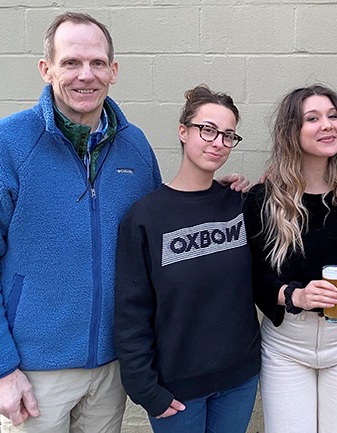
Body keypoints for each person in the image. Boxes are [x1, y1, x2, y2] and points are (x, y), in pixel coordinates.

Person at [0, 12, 249, 433]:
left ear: (113, 71)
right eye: (71, 62)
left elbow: (161, 227)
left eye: (97, 63)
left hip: (111, 368)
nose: (85, 75)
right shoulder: (1, 147)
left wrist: (219, 196)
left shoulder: (134, 146)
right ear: (46, 69)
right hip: (34, 372)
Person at [114, 85, 261, 433]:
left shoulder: (238, 204)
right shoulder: (145, 218)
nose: (217, 142)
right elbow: (131, 311)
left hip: (238, 378)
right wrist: (145, 389)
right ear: (183, 131)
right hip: (177, 389)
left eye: (228, 135)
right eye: (207, 129)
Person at [243, 84, 337, 433]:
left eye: (333, 116)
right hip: (287, 343)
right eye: (313, 118)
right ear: (292, 131)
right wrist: (294, 295)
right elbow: (252, 275)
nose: (327, 125)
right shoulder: (264, 200)